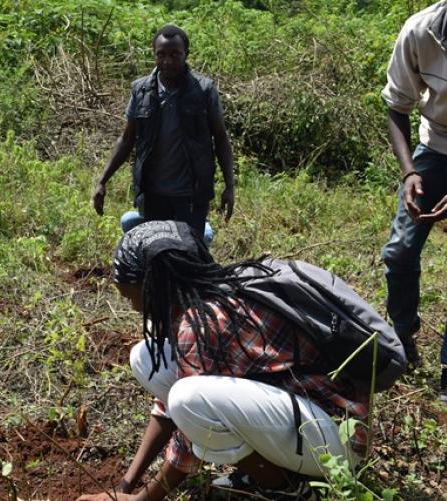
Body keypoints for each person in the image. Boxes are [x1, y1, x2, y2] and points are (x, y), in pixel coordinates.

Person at [77, 221, 368, 501]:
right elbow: (167, 411)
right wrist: (124, 484)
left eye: (130, 297)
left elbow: (185, 433)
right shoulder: (216, 293)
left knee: (188, 400)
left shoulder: (199, 324)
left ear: (151, 286)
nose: (131, 306)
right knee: (145, 356)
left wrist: (143, 499)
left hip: (337, 444)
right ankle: (272, 470)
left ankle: (288, 489)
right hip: (316, 417)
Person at [92, 25, 235, 238]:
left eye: (175, 54)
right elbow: (126, 139)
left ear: (186, 54)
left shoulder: (204, 91)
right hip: (152, 195)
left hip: (191, 195)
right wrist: (102, 181)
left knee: (188, 252)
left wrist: (229, 186)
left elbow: (221, 139)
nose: (167, 61)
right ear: (154, 55)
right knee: (156, 252)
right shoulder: (141, 90)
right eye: (161, 54)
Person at [380, 1, 447, 399]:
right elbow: (396, 106)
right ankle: (403, 340)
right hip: (435, 146)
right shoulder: (421, 31)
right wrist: (410, 172)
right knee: (400, 251)